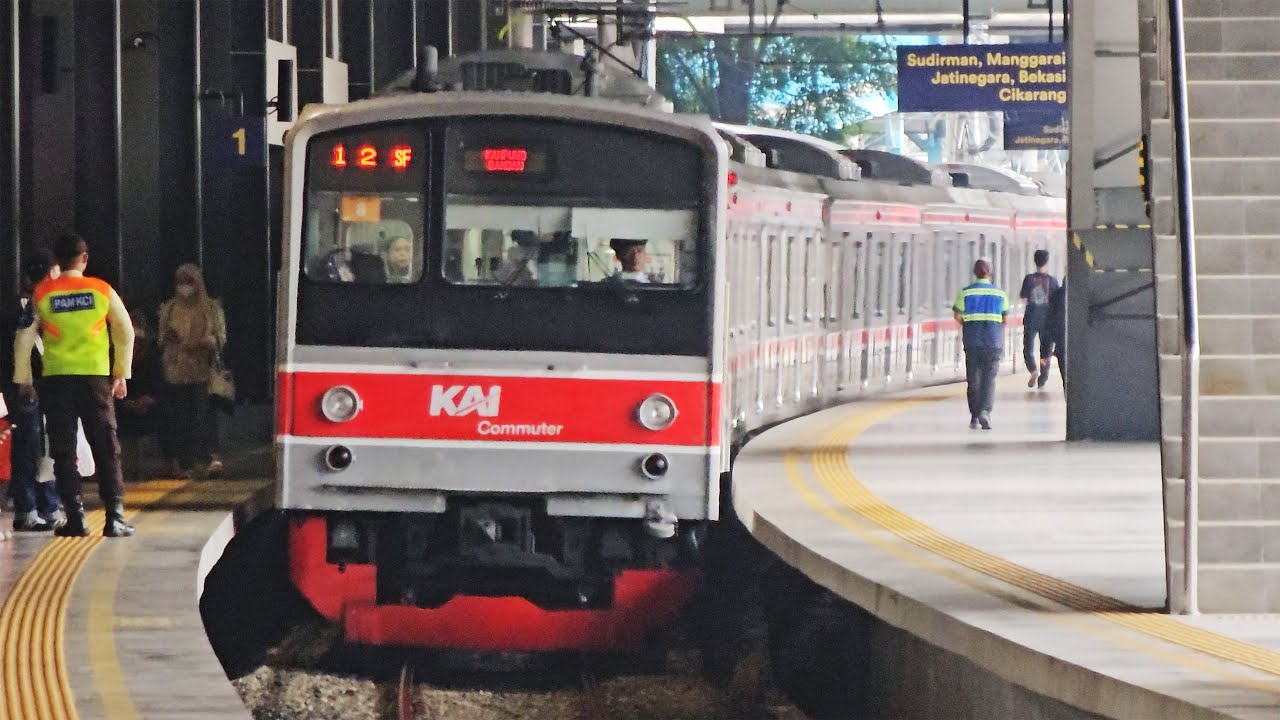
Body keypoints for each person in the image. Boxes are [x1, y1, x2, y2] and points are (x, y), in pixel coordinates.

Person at [13, 234, 135, 537]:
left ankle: (75, 517)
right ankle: (114, 517)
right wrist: (121, 372)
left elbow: (24, 338)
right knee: (106, 447)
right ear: (84, 259)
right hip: (95, 380)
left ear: (58, 261)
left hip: (57, 381)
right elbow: (125, 330)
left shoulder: (43, 293)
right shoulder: (101, 290)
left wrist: (24, 379)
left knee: (64, 451)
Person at [3, 250, 64, 531]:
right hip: (27, 387)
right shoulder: (25, 309)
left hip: (36, 385)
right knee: (29, 447)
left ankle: (46, 505)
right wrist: (24, 382)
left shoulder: (37, 305)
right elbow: (21, 349)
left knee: (43, 447)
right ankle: (29, 508)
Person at [158, 264, 227, 478]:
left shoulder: (211, 308)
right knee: (180, 418)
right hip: (176, 371)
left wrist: (206, 342)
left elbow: (220, 337)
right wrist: (167, 338)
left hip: (203, 371)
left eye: (189, 281)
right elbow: (161, 337)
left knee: (203, 416)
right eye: (180, 281)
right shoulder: (169, 308)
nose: (184, 286)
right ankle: (184, 463)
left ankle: (208, 459)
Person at [953, 259, 1009, 430]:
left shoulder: (965, 293)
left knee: (973, 379)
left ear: (974, 273)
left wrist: (969, 324)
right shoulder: (1000, 294)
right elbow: (1005, 318)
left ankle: (974, 415)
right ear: (989, 273)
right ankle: (985, 411)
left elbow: (957, 315)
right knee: (989, 379)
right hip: (993, 342)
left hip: (972, 341)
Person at [116, 311, 164, 482]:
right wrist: (126, 403)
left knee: (169, 413)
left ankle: (171, 462)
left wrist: (148, 400)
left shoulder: (152, 358)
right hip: (124, 404)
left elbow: (160, 386)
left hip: (148, 405)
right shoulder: (115, 357)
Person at [1018, 250, 1060, 388]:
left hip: (1031, 319)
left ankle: (1033, 370)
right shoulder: (1053, 281)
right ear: (1047, 262)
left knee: (1028, 348)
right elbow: (1057, 301)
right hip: (1047, 321)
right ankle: (1043, 376)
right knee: (1045, 351)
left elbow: (1024, 298)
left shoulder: (1029, 279)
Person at [1043, 281, 1067, 391]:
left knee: (1065, 376)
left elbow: (1049, 320)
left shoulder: (1056, 295)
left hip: (1061, 344)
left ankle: (1068, 394)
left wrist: (1046, 349)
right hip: (1080, 344)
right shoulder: (1081, 295)